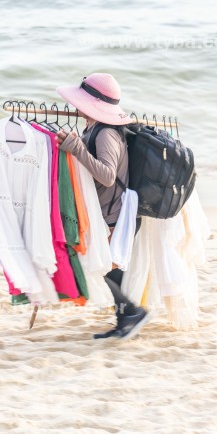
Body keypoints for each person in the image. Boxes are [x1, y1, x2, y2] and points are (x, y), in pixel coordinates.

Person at [55, 72, 150, 340]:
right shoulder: (94, 127)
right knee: (109, 270)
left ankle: (132, 313)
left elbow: (107, 175)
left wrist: (76, 148)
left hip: (113, 215)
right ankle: (126, 318)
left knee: (103, 268)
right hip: (109, 212)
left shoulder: (106, 132)